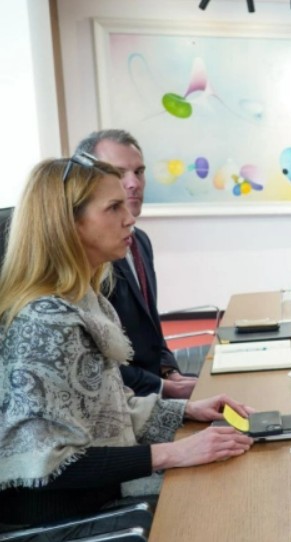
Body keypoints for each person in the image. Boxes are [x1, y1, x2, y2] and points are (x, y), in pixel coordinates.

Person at [0, 156, 254, 530]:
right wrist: (172, 452)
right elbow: (47, 463)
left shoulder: (84, 301)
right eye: (113, 207)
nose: (130, 218)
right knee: (227, 510)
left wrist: (185, 411)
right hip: (63, 521)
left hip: (100, 496)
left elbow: (104, 413)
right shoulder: (44, 322)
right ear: (68, 222)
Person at [75, 129, 196, 399]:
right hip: (122, 399)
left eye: (139, 172)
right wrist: (164, 388)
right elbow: (96, 362)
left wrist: (170, 372)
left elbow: (151, 330)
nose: (133, 183)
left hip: (153, 388)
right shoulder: (89, 256)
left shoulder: (140, 240)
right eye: (119, 173)